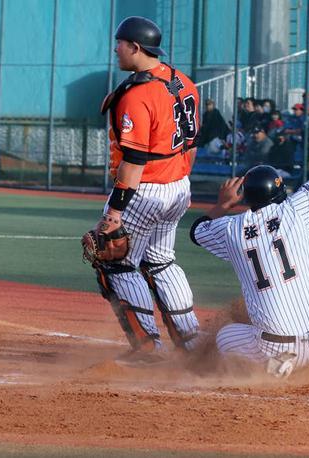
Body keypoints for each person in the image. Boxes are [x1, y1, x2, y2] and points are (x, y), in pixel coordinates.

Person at [190, 109, 309, 378]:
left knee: (224, 337)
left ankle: (275, 371)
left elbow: (198, 231)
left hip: (273, 348)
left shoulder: (233, 229)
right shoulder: (296, 210)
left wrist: (223, 204)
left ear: (247, 198)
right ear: (280, 192)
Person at [89, 16, 202, 365]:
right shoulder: (184, 82)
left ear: (136, 48)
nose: (115, 48)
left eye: (120, 43)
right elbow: (192, 144)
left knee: (115, 262)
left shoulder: (137, 95)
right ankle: (190, 340)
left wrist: (114, 213)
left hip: (145, 188)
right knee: (161, 261)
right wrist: (178, 178)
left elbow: (134, 159)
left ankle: (148, 347)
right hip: (178, 186)